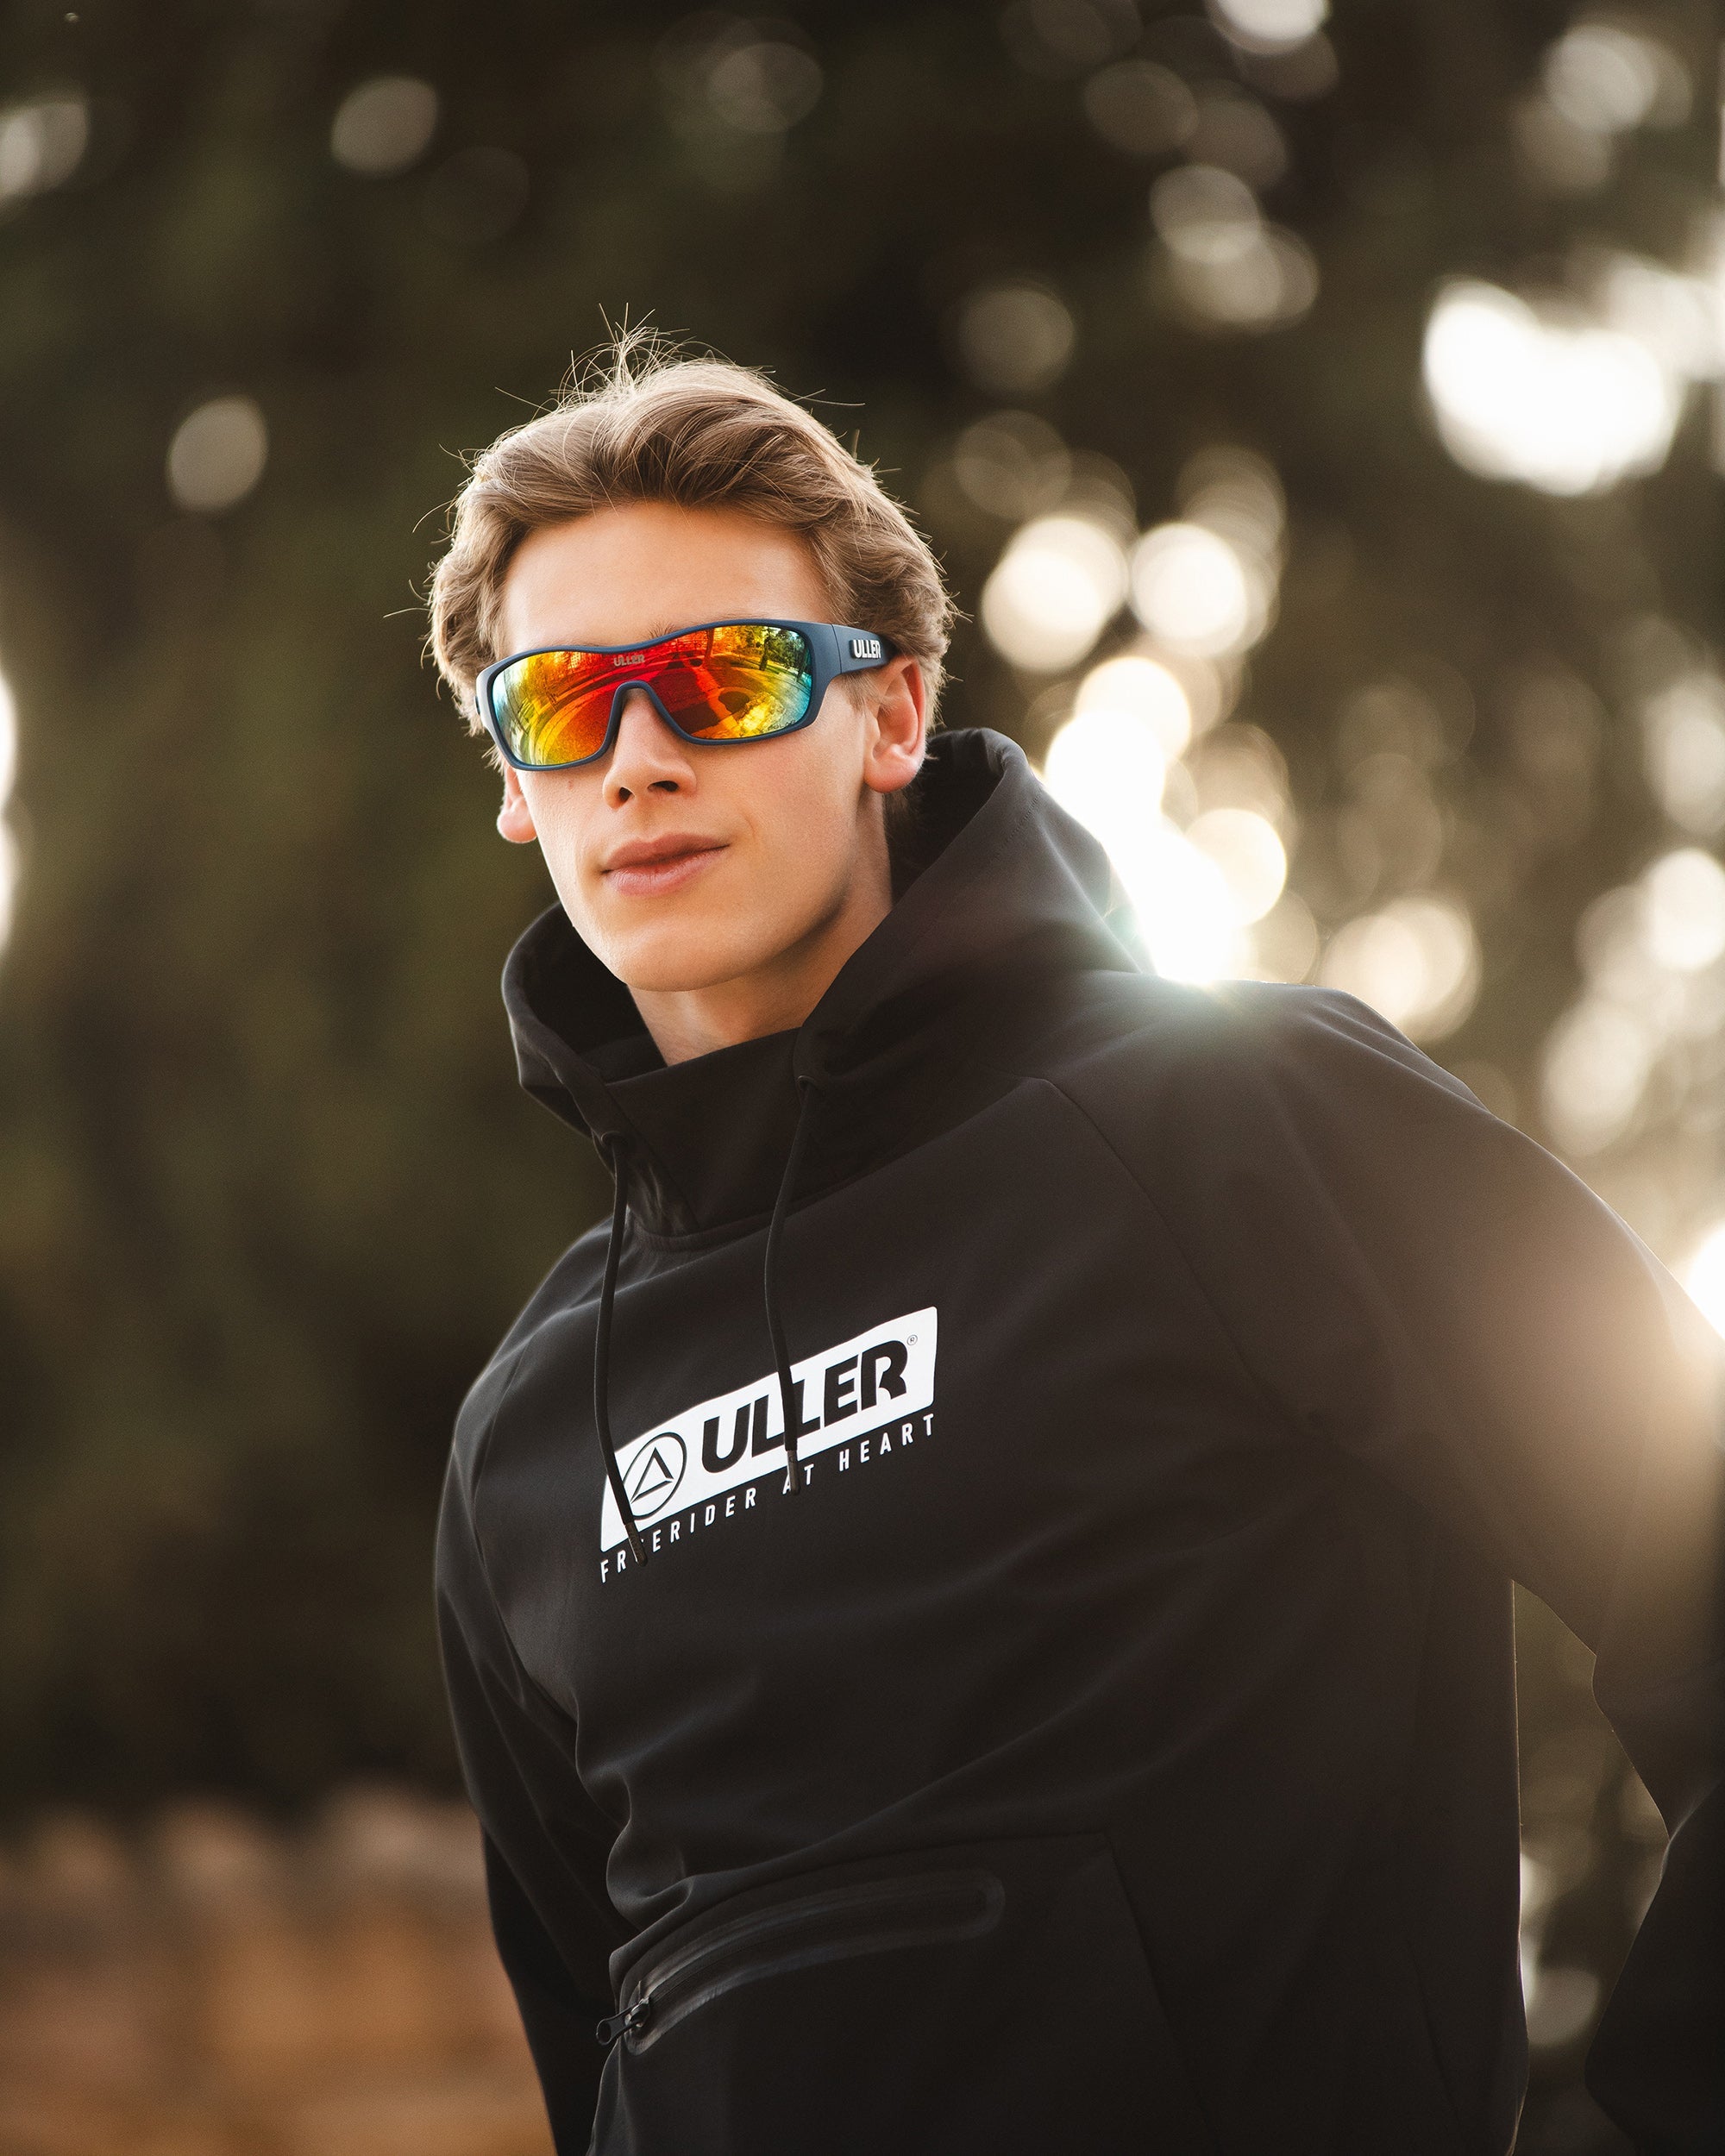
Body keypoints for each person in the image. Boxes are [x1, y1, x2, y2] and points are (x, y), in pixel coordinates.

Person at [428, 342, 1722, 2156]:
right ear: (514, 777)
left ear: (891, 714)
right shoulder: (526, 1432)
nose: (638, 758)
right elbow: (593, 2048)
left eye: (723, 677)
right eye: (563, 704)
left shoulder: (1243, 1121)